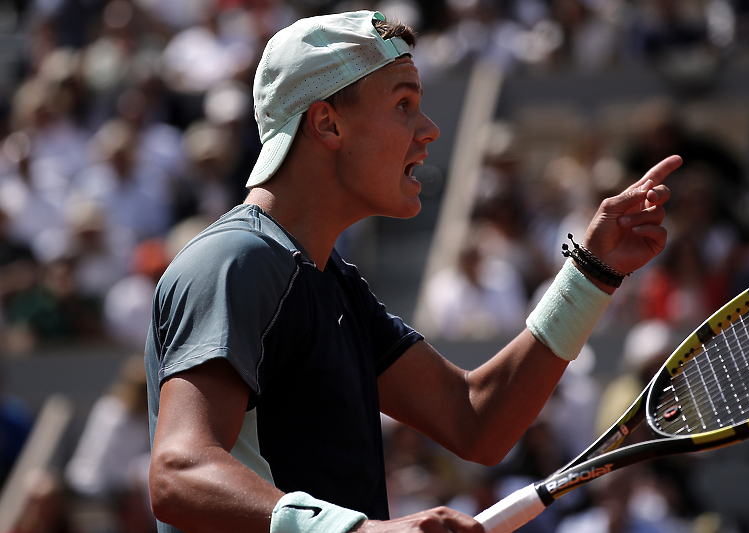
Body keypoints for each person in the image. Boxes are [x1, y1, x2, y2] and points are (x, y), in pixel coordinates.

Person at [144, 10, 681, 533]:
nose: (429, 131)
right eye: (404, 104)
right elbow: (180, 472)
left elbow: (477, 421)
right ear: (328, 122)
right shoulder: (237, 260)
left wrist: (590, 274)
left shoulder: (334, 285)